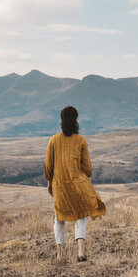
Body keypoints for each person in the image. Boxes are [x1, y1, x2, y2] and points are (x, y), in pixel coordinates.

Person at [44, 106, 106, 261]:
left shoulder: (53, 140)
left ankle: (59, 254)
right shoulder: (81, 140)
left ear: (61, 119)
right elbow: (87, 168)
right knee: (80, 217)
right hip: (78, 184)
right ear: (76, 120)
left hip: (59, 185)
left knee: (59, 218)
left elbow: (48, 166)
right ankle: (81, 252)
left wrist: (49, 182)